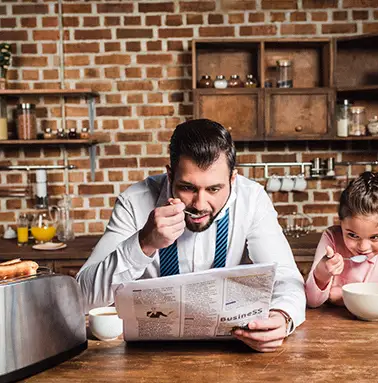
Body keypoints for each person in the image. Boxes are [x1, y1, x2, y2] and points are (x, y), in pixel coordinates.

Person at [77, 118, 306, 352]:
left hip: (232, 350)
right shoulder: (134, 202)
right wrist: (143, 244)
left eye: (214, 189)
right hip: (147, 355)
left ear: (232, 180)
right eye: (188, 188)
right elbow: (82, 297)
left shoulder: (252, 199)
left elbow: (287, 278)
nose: (200, 204)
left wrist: (282, 317)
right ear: (169, 175)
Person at [305, 171, 378, 309]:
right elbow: (312, 302)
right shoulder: (331, 237)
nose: (363, 247)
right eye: (353, 235)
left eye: (375, 237)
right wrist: (321, 273)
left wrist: (347, 296)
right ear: (341, 223)